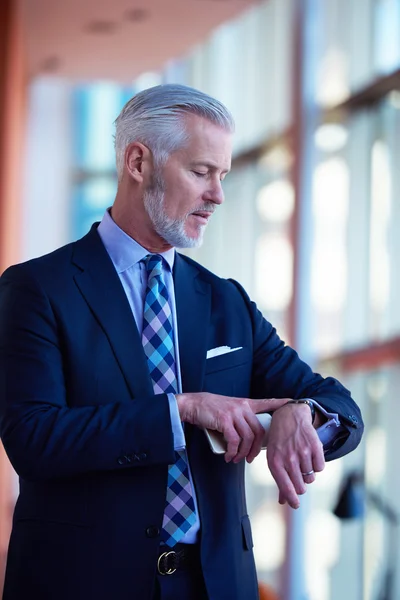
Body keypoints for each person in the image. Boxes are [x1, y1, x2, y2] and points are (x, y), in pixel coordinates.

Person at [0, 84, 363, 600]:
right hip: (83, 582)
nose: (217, 195)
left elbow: (339, 405)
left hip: (217, 585)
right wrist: (182, 410)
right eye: (201, 172)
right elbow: (33, 439)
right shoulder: (38, 288)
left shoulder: (226, 301)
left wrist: (300, 412)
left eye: (223, 176)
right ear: (138, 161)